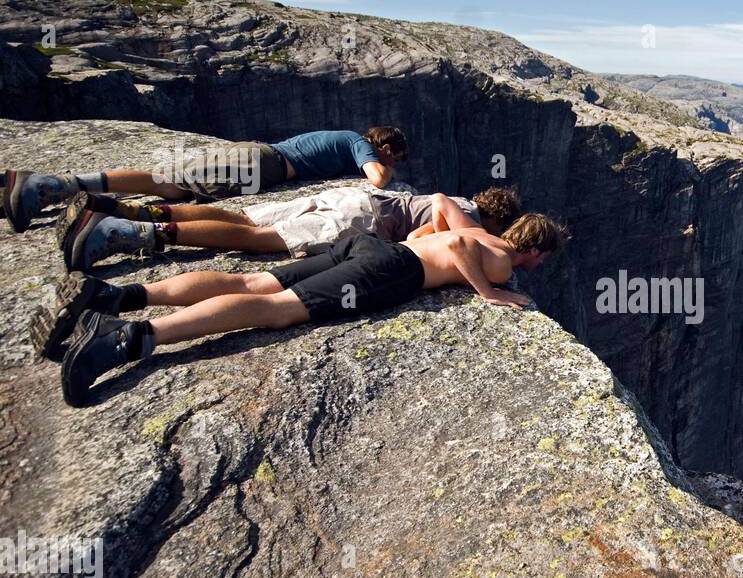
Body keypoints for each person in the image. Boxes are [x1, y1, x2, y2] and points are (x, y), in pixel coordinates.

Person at [37, 213, 569, 406]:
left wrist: (419, 244)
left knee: (248, 277)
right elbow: (457, 252)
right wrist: (488, 292)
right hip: (387, 274)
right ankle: (128, 336)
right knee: (273, 310)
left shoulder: (478, 226)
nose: (538, 265)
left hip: (366, 248)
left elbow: (438, 221)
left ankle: (116, 296)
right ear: (536, 248)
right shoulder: (501, 261)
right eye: (543, 256)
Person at [2, 126, 408, 234]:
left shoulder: (344, 140)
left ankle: (61, 190)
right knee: (167, 182)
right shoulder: (361, 144)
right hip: (263, 163)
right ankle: (50, 185)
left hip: (258, 162)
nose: (394, 163)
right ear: (385, 146)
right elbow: (375, 181)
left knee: (173, 187)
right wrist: (385, 169)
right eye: (396, 156)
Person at [53, 184, 522, 271]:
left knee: (242, 217)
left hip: (351, 198)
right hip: (363, 220)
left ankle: (125, 212)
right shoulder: (474, 218)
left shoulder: (462, 199)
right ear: (496, 215)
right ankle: (119, 234)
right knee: (255, 240)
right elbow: (445, 220)